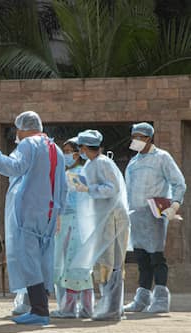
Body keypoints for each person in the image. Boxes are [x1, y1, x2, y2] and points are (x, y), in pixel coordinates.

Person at [0, 111, 68, 325]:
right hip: (48, 214)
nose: (16, 133)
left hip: (29, 212)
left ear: (23, 128)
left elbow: (14, 167)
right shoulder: (56, 149)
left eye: (18, 129)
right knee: (43, 260)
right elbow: (63, 187)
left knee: (29, 259)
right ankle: (40, 306)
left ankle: (39, 311)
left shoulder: (29, 145)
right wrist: (59, 214)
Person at [123, 122, 186, 313]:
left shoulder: (162, 158)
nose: (136, 140)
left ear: (149, 138)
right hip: (136, 214)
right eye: (134, 136)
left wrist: (174, 205)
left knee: (156, 257)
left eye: (140, 136)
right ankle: (142, 299)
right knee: (141, 257)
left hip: (154, 214)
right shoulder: (134, 161)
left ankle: (160, 299)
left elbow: (178, 182)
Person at [71, 129, 130, 321]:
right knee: (104, 261)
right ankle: (110, 305)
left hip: (112, 217)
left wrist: (89, 188)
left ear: (85, 147)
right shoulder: (91, 164)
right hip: (103, 216)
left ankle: (112, 307)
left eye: (80, 147)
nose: (79, 151)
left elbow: (112, 188)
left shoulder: (103, 163)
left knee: (111, 262)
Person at [51, 137, 94, 319]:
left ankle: (71, 307)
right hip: (69, 222)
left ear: (77, 154)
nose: (66, 155)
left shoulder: (77, 174)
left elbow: (78, 201)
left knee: (71, 266)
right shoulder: (72, 172)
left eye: (69, 151)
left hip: (73, 223)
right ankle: (81, 307)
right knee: (72, 267)